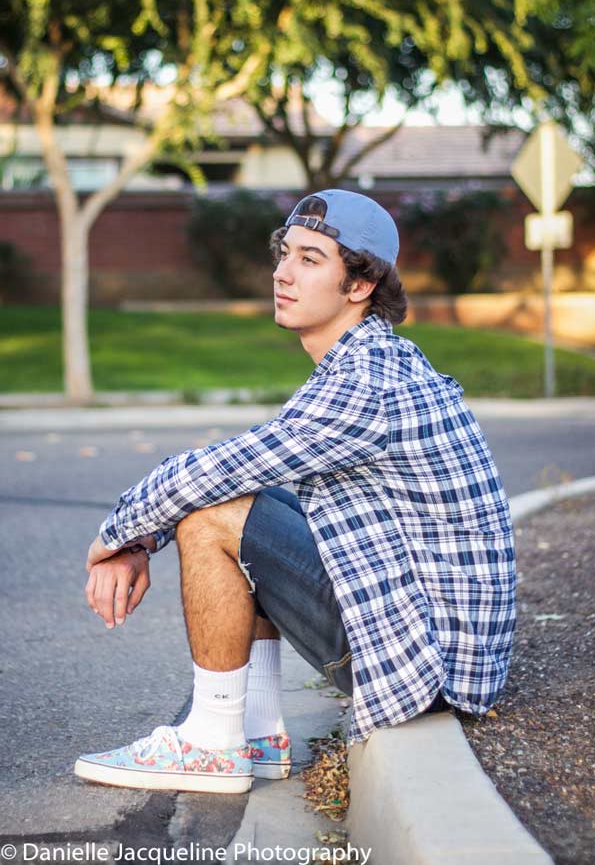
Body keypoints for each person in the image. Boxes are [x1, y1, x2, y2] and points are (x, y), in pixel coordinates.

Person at [75, 189, 516, 795]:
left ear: (360, 285)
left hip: (425, 664)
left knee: (212, 514)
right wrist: (139, 535)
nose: (282, 273)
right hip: (427, 640)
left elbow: (216, 471)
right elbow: (244, 471)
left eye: (310, 259)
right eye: (284, 254)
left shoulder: (366, 382)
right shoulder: (366, 361)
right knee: (240, 507)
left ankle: (212, 743)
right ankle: (254, 732)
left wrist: (116, 537)